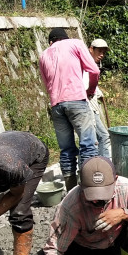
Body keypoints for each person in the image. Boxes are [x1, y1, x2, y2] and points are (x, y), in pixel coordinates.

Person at [39, 27, 99, 190]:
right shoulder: (75, 44)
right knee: (87, 144)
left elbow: (47, 85)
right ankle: (89, 187)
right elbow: (94, 70)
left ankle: (72, 190)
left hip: (56, 106)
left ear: (51, 42)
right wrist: (91, 90)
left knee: (66, 149)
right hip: (76, 100)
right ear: (65, 37)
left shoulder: (44, 55)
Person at [87, 38, 112, 159]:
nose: (102, 55)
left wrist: (97, 90)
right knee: (103, 137)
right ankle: (106, 167)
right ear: (91, 49)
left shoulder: (94, 64)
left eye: (104, 52)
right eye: (99, 51)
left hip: (92, 105)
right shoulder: (85, 63)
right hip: (87, 106)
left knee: (91, 140)